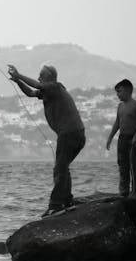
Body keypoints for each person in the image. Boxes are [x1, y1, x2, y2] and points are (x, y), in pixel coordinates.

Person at [7, 64, 86, 217]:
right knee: (63, 168)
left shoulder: (54, 87)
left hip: (69, 134)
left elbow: (36, 85)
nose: (38, 78)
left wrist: (19, 75)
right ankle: (67, 202)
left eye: (41, 75)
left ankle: (56, 205)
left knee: (59, 169)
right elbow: (30, 92)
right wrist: (18, 82)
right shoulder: (50, 92)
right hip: (77, 134)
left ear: (49, 78)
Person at [106, 79, 136, 197]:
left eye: (119, 91)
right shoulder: (120, 106)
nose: (117, 94)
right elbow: (117, 123)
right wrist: (110, 138)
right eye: (116, 92)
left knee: (135, 167)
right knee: (123, 166)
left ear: (128, 90)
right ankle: (123, 192)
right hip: (122, 139)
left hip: (134, 140)